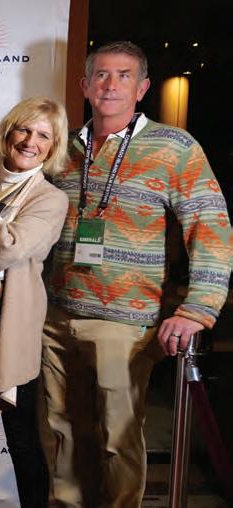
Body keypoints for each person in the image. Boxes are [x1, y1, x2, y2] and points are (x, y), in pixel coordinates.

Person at [42, 41, 232, 507]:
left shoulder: (173, 147)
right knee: (62, 433)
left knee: (117, 439)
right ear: (85, 85)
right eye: (101, 75)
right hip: (56, 316)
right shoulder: (62, 146)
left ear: (142, 88)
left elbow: (210, 224)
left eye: (124, 75)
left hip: (125, 321)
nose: (111, 85)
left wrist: (198, 308)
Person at [0, 97, 69, 507]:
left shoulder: (50, 198)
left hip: (11, 327)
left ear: (52, 146)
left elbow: (3, 251)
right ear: (8, 132)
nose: (30, 141)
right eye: (24, 130)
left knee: (21, 434)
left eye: (43, 135)